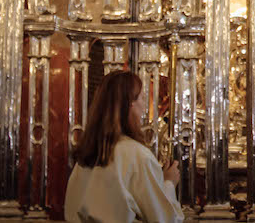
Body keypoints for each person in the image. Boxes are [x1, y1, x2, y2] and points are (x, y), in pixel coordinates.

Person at [64, 71, 184, 223]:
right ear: (130, 104)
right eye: (142, 97)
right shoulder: (138, 156)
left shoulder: (85, 159)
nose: (144, 104)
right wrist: (168, 184)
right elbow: (164, 219)